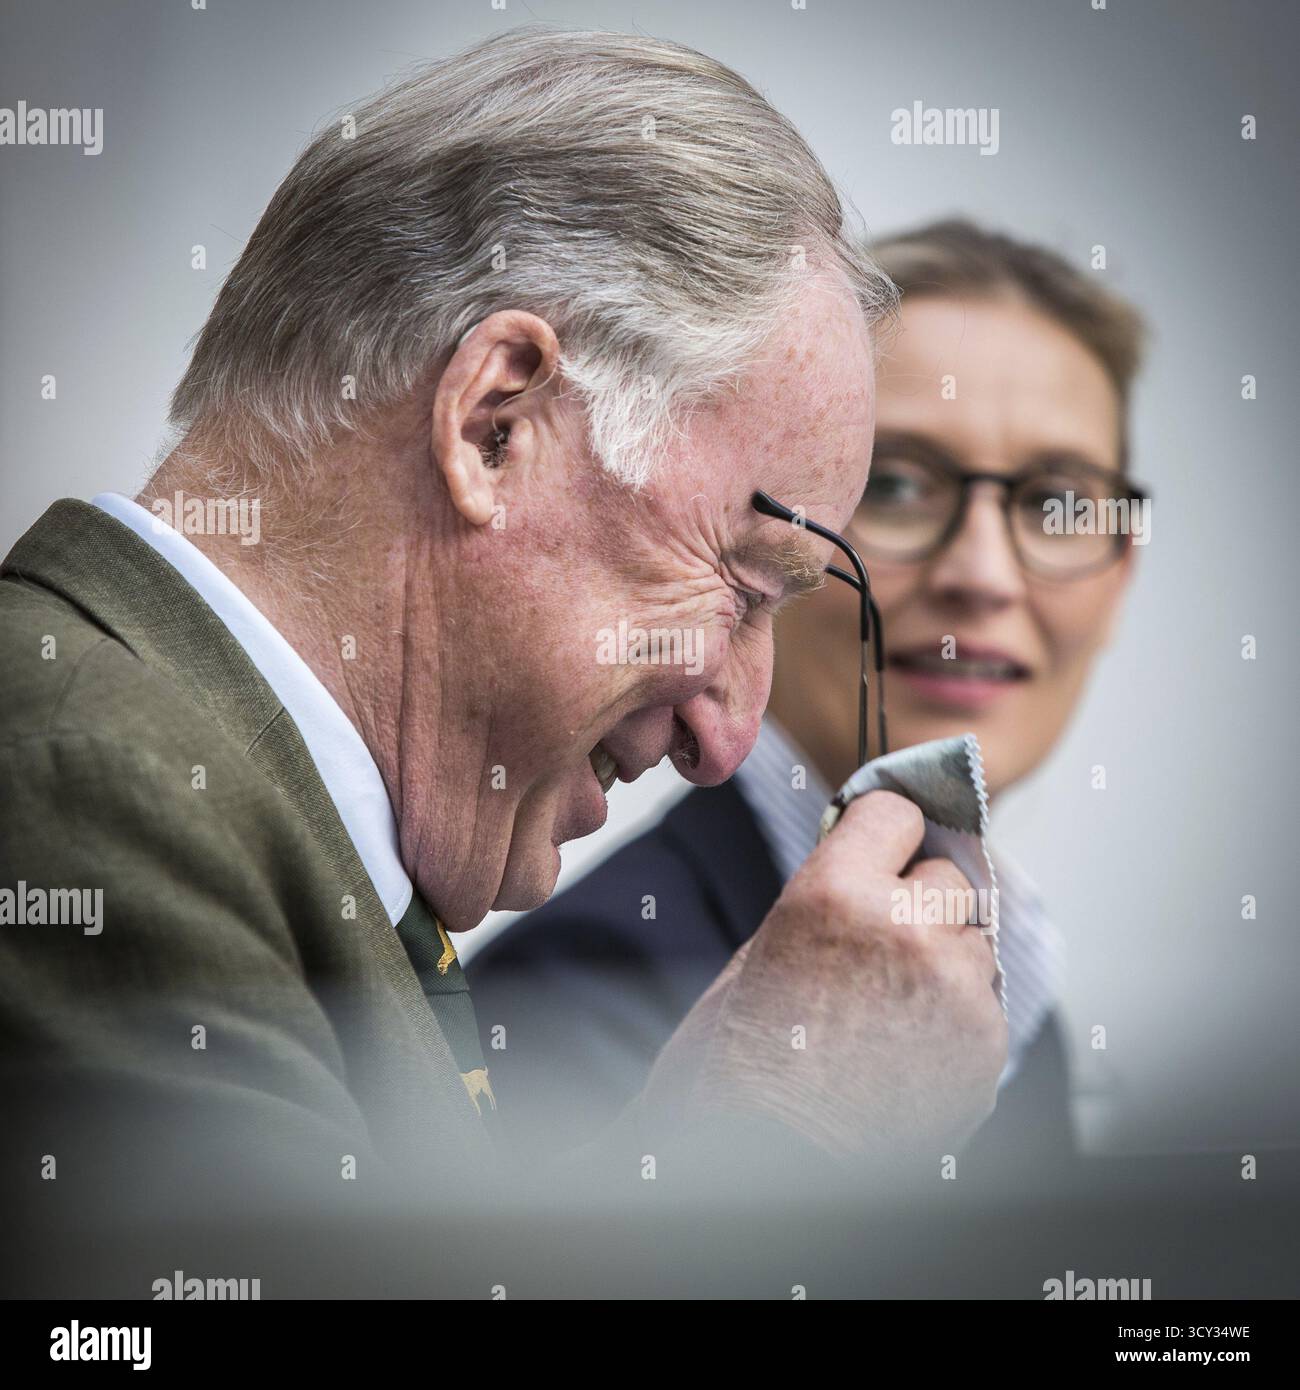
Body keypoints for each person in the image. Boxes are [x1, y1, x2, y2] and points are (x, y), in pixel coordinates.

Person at [0, 34, 1008, 1291]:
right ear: (494, 424)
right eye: (748, 585)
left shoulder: (247, 810)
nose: (729, 738)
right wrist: (776, 1140)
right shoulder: (85, 786)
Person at [469, 219, 1147, 1167]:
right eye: (903, 483)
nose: (984, 575)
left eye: (1055, 506)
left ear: (1118, 578)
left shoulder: (1016, 1004)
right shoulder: (576, 1002)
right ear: (781, 539)